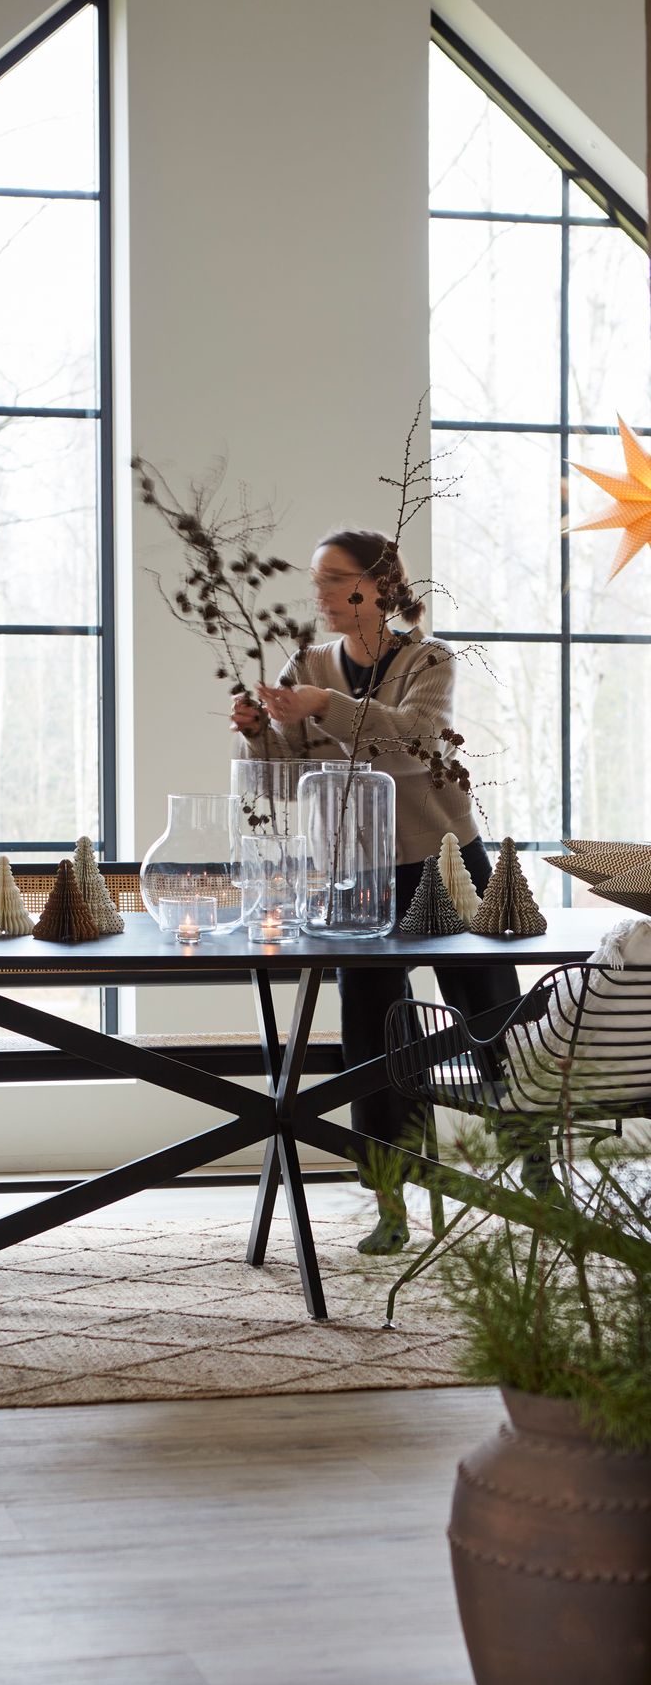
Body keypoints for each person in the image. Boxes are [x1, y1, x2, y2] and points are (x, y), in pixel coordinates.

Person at [231, 528, 525, 1254]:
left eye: (334, 580)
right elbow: (285, 782)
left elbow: (414, 745)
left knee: (492, 1016)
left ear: (377, 585)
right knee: (372, 1038)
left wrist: (317, 707)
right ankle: (390, 1199)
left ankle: (539, 1165)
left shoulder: (427, 659)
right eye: (317, 581)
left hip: (444, 862)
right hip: (354, 875)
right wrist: (256, 735)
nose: (322, 595)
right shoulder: (308, 665)